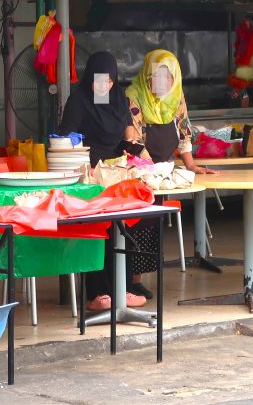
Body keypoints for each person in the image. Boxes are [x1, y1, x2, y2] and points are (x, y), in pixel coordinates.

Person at [59, 51, 145, 311]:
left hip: (116, 175)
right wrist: (88, 165)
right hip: (88, 176)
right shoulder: (79, 101)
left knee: (124, 228)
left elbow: (128, 133)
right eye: (98, 81)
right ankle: (96, 294)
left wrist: (141, 157)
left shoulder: (119, 99)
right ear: (89, 80)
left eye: (108, 81)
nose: (103, 86)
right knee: (98, 232)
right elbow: (65, 141)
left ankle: (124, 288)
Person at [125, 50, 215, 298]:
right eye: (157, 76)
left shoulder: (177, 98)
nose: (163, 83)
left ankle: (136, 280)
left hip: (162, 171)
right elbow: (133, 140)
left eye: (168, 77)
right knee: (134, 224)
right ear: (147, 76)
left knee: (152, 226)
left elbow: (184, 133)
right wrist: (149, 170)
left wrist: (191, 165)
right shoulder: (134, 97)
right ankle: (126, 280)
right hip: (140, 171)